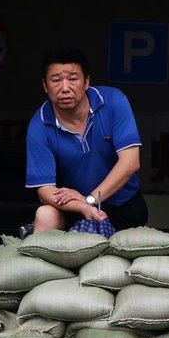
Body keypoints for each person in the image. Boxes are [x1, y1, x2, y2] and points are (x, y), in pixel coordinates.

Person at [25, 48, 148, 233]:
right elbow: (45, 190)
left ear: (86, 82)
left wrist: (90, 199)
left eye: (73, 79)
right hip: (73, 208)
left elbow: (131, 162)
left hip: (123, 205)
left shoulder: (114, 101)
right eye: (56, 80)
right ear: (45, 85)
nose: (65, 88)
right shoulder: (39, 125)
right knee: (45, 213)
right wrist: (82, 206)